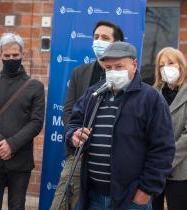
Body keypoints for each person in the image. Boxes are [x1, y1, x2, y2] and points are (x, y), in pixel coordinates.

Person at [65, 41, 175, 210]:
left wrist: (146, 190)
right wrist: (73, 135)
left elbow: (163, 148)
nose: (113, 72)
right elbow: (74, 122)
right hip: (93, 196)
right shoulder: (94, 93)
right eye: (108, 68)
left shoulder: (151, 98)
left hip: (131, 199)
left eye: (119, 67)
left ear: (134, 64)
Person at [50, 20, 124, 210]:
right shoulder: (79, 73)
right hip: (80, 152)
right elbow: (68, 111)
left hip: (110, 158)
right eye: (96, 37)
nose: (99, 41)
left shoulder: (126, 78)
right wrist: (76, 133)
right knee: (61, 202)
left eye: (105, 38)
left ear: (117, 43)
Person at [0, 32, 45, 210]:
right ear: (0, 55)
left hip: (20, 160)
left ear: (23, 55)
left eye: (15, 55)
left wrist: (12, 145)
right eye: (7, 56)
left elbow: (36, 123)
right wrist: (1, 144)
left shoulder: (35, 87)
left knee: (17, 206)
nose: (11, 59)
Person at [151, 47, 187, 210]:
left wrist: (164, 161)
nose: (165, 68)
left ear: (181, 66)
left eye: (170, 63)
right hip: (151, 170)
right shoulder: (152, 94)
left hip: (179, 171)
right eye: (161, 65)